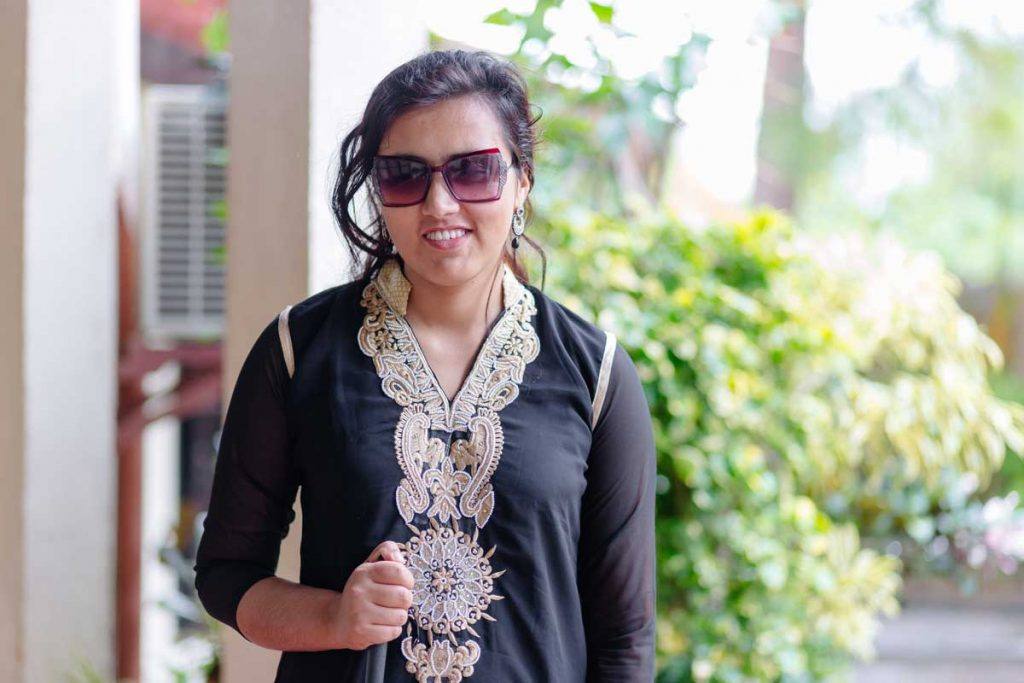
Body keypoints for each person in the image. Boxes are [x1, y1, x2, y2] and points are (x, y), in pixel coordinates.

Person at [193, 48, 656, 682]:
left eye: (473, 171)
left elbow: (625, 640)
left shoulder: (596, 374)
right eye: (405, 175)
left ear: (522, 180)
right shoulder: (299, 351)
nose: (439, 205)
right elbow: (226, 576)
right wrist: (334, 619)